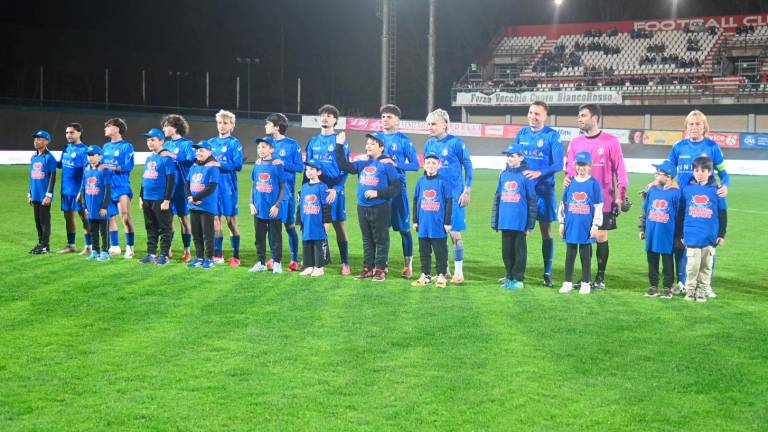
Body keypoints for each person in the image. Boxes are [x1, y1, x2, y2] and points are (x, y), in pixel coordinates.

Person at [667, 110, 730, 295]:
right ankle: (682, 280)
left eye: (698, 124)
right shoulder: (678, 147)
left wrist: (724, 185)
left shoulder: (713, 147)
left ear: (704, 127)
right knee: (680, 240)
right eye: (691, 124)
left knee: (707, 243)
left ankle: (706, 284)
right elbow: (668, 170)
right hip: (682, 200)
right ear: (686, 127)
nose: (694, 127)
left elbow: (724, 174)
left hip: (704, 203)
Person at [565, 104, 628, 289]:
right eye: (578, 115)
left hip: (604, 200)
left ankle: (600, 277)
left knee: (600, 235)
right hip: (580, 201)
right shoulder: (575, 143)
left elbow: (620, 170)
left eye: (583, 115)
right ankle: (586, 278)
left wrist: (620, 195)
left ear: (595, 118)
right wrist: (567, 182)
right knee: (584, 237)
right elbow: (570, 168)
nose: (579, 118)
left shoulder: (611, 141)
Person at [508, 101, 564, 287]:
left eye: (537, 114)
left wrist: (540, 173)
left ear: (545, 116)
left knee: (546, 232)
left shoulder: (552, 136)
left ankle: (547, 273)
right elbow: (513, 156)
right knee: (519, 231)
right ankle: (515, 273)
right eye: (530, 112)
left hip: (544, 191)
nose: (532, 116)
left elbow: (558, 164)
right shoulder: (522, 134)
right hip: (523, 191)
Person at [334, 132, 400, 282]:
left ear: (381, 147)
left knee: (381, 239)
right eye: (367, 144)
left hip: (380, 207)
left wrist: (378, 193)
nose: (368, 146)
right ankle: (367, 269)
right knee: (367, 239)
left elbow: (396, 188)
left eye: (372, 144)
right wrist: (339, 145)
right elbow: (344, 166)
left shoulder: (387, 165)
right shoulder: (362, 162)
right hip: (362, 207)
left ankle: (380, 270)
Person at [423, 108, 473, 284]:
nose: (430, 127)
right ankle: (444, 270)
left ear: (445, 124)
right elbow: (427, 170)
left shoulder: (455, 143)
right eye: (428, 124)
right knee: (438, 234)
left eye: (434, 123)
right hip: (436, 198)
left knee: (454, 232)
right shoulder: (429, 144)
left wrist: (467, 190)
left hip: (454, 195)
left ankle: (459, 272)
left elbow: (468, 167)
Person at [372, 104, 420, 278]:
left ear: (397, 120)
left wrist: (395, 164)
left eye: (389, 116)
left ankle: (408, 266)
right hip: (380, 190)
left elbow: (415, 165)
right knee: (380, 230)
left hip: (398, 190)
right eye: (383, 116)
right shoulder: (375, 138)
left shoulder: (404, 141)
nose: (385, 119)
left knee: (404, 229)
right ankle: (381, 265)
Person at [305, 104, 351, 275]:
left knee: (339, 225)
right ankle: (314, 260)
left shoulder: (340, 141)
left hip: (334, 189)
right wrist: (304, 190)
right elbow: (307, 168)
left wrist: (336, 189)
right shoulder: (313, 141)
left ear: (335, 121)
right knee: (313, 224)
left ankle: (345, 262)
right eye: (323, 114)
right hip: (316, 189)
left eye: (329, 115)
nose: (325, 117)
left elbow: (345, 168)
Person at [677, 156, 727, 302]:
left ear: (710, 172)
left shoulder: (717, 191)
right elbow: (681, 214)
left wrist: (721, 234)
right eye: (696, 170)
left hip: (709, 236)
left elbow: (723, 215)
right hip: (691, 234)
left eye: (703, 170)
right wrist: (680, 233)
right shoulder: (687, 190)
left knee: (706, 266)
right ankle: (690, 290)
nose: (699, 173)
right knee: (692, 266)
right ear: (693, 171)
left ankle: (702, 290)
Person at [492, 144, 538, 290]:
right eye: (508, 156)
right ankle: (509, 276)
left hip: (519, 222)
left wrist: (530, 224)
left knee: (519, 252)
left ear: (521, 157)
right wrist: (495, 220)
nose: (510, 159)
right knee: (506, 252)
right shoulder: (503, 175)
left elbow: (532, 201)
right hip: (505, 221)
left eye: (512, 156)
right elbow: (498, 198)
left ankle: (518, 279)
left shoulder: (526, 176)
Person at [558, 151, 603, 295]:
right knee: (570, 254)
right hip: (571, 224)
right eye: (579, 165)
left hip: (586, 225)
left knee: (585, 255)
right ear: (575, 165)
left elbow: (598, 206)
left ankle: (585, 282)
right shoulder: (570, 182)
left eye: (584, 165)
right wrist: (561, 223)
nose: (581, 168)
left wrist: (595, 225)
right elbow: (563, 203)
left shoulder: (594, 183)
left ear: (590, 166)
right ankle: (567, 282)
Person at [262, 113, 303, 272]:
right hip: (269, 192)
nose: (265, 126)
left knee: (289, 225)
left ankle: (294, 259)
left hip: (286, 193)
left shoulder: (292, 145)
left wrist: (282, 163)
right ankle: (274, 257)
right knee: (271, 226)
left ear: (277, 127)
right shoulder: (266, 143)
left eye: (268, 124)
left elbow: (299, 167)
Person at [639, 160, 680, 299]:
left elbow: (680, 216)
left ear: (668, 176)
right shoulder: (653, 190)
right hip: (651, 232)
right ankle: (653, 286)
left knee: (667, 260)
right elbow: (645, 210)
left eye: (658, 173)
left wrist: (679, 235)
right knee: (652, 260)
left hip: (667, 234)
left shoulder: (676, 193)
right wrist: (642, 228)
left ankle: (667, 287)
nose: (656, 176)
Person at [410, 153, 452, 288]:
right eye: (428, 163)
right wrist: (415, 220)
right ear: (424, 165)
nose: (430, 165)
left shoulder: (443, 182)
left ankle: (441, 274)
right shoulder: (420, 181)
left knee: (440, 252)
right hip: (423, 223)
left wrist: (447, 222)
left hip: (438, 223)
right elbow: (416, 200)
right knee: (424, 251)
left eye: (434, 163)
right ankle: (425, 275)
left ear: (438, 165)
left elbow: (449, 202)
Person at [209, 109, 243, 267]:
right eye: (219, 123)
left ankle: (236, 255)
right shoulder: (210, 143)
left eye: (225, 123)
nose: (222, 126)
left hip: (228, 188)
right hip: (212, 188)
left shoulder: (234, 143)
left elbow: (238, 165)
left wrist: (219, 164)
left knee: (230, 222)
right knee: (215, 220)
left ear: (232, 125)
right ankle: (218, 254)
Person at [138, 128, 176, 265]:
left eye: (153, 139)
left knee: (165, 228)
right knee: (150, 227)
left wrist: (167, 200)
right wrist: (141, 196)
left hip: (160, 199)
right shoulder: (149, 158)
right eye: (148, 140)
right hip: (147, 198)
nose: (150, 142)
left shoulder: (166, 159)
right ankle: (151, 254)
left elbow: (171, 180)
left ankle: (164, 255)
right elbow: (145, 179)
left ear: (162, 141)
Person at [248, 139, 286, 274]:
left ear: (272, 149)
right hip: (258, 208)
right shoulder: (257, 164)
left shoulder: (277, 165)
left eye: (263, 147)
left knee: (275, 237)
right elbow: (254, 185)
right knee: (259, 238)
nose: (260, 150)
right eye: (259, 148)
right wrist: (251, 203)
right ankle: (261, 262)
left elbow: (282, 187)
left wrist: (277, 205)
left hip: (273, 209)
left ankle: (277, 262)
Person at [161, 114, 195, 263]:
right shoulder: (165, 145)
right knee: (167, 220)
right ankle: (167, 249)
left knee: (183, 219)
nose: (164, 128)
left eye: (166, 125)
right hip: (168, 188)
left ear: (175, 127)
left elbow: (190, 161)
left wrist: (172, 155)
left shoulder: (187, 144)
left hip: (182, 187)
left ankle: (187, 251)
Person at [101, 118, 136, 258]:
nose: (105, 129)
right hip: (108, 186)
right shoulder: (105, 147)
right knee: (110, 217)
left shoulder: (127, 147)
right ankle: (115, 246)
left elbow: (129, 167)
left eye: (108, 126)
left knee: (125, 216)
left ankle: (130, 247)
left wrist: (108, 166)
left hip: (121, 186)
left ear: (116, 129)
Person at [56, 122, 91, 255]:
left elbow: (87, 172)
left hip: (79, 191)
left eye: (72, 132)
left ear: (79, 133)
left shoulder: (84, 151)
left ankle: (89, 245)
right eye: (67, 132)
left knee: (84, 217)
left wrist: (82, 191)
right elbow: (60, 164)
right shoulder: (66, 148)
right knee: (68, 216)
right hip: (66, 190)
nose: (68, 135)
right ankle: (71, 245)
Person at [77, 145, 116, 261]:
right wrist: (85, 207)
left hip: (101, 207)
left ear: (100, 156)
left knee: (103, 231)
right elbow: (84, 188)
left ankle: (105, 252)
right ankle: (95, 251)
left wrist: (104, 207)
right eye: (88, 155)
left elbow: (108, 189)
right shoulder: (86, 169)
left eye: (93, 155)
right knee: (93, 230)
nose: (90, 157)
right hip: (90, 207)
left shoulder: (104, 170)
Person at [296, 159, 333, 277]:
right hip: (306, 221)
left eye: (312, 169)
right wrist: (299, 221)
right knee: (307, 242)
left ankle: (319, 267)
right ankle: (309, 266)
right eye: (307, 169)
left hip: (317, 221)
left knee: (318, 242)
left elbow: (326, 205)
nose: (309, 172)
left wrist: (327, 221)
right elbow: (300, 205)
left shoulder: (322, 187)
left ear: (319, 172)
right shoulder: (304, 187)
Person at [186, 141, 220, 270]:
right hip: (193, 206)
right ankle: (199, 257)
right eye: (197, 150)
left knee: (207, 234)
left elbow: (211, 188)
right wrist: (190, 198)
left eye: (201, 150)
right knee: (196, 233)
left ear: (209, 152)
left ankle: (209, 259)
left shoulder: (213, 167)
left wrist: (195, 198)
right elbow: (187, 183)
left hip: (206, 206)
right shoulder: (194, 166)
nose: (198, 152)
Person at [28, 130, 58, 254]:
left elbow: (52, 176)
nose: (36, 141)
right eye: (35, 139)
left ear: (46, 141)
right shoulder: (34, 157)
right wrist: (29, 193)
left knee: (44, 221)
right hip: (35, 194)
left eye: (39, 139)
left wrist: (49, 194)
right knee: (37, 221)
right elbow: (32, 176)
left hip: (44, 195)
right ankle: (41, 243)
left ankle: (45, 245)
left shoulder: (49, 158)